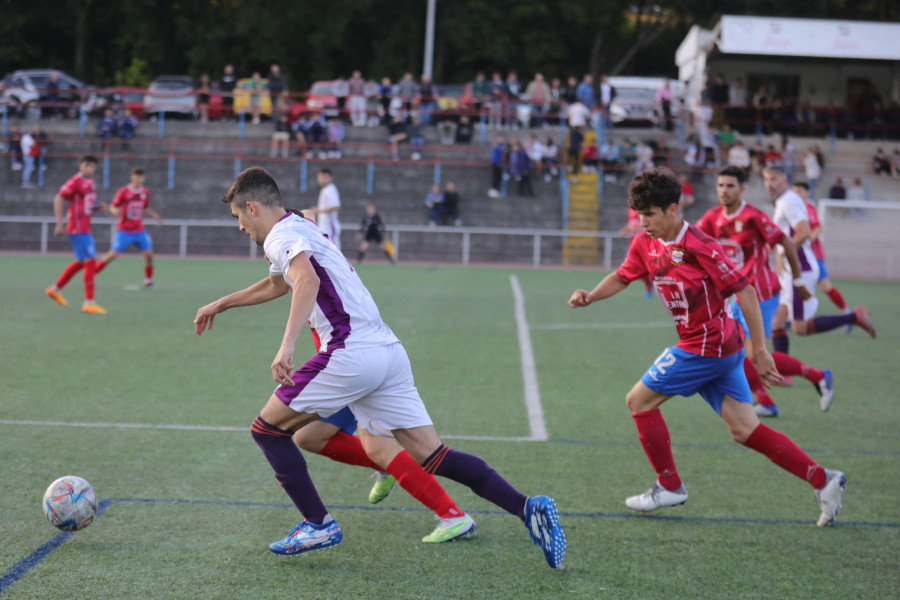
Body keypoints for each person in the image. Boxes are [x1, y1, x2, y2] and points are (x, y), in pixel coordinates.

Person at [193, 167, 565, 566]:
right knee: (432, 454)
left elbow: (305, 283)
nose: (240, 227)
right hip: (387, 351)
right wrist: (222, 303)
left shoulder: (282, 236)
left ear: (252, 207)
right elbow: (278, 283)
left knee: (267, 431)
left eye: (238, 218)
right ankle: (528, 508)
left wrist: (285, 347)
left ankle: (317, 523)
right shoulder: (300, 225)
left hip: (350, 351)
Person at [567, 167, 846, 526]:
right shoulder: (645, 243)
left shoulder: (700, 245)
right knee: (745, 430)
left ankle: (669, 485)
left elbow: (745, 290)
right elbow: (624, 276)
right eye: (639, 216)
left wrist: (760, 350)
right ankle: (823, 480)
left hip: (707, 345)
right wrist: (591, 296)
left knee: (638, 401)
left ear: (672, 209)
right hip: (717, 348)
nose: (643, 223)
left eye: (649, 215)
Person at [697, 166, 830, 417]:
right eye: (721, 185)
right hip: (736, 294)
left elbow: (788, 242)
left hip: (762, 293)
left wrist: (799, 282)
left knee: (753, 354)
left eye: (730, 186)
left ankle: (818, 377)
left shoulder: (754, 217)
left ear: (742, 189)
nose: (724, 191)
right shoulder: (713, 216)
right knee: (736, 353)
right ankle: (767, 401)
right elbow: (691, 239)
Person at [764, 166, 875, 369]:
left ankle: (854, 317)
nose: (769, 184)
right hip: (791, 270)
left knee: (800, 328)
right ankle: (783, 374)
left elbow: (804, 232)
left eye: (773, 179)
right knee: (777, 323)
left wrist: (784, 253)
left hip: (801, 269)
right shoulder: (783, 201)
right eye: (766, 180)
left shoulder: (788, 201)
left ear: (784, 180)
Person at [45, 155, 108, 314]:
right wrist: (59, 223)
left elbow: (83, 204)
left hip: (85, 227)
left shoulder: (90, 183)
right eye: (87, 165)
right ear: (81, 166)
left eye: (93, 166)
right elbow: (58, 198)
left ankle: (54, 289)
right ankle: (89, 302)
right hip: (77, 227)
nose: (90, 169)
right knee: (91, 261)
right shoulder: (75, 181)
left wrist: (95, 207)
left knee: (82, 262)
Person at [793, 181, 852, 325]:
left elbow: (817, 228)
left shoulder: (807, 207)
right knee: (791, 285)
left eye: (800, 191)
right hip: (798, 256)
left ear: (807, 193)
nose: (797, 195)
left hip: (813, 256)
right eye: (795, 192)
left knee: (825, 286)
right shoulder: (793, 208)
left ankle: (847, 314)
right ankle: (790, 318)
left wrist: (805, 241)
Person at [94, 167, 162, 288]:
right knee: (112, 255)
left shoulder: (145, 192)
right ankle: (92, 274)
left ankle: (148, 281)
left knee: (149, 255)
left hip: (139, 230)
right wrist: (115, 211)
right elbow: (113, 206)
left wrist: (155, 216)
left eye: (142, 177)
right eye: (137, 176)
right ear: (132, 177)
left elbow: (144, 207)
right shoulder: (124, 191)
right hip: (124, 230)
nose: (139, 179)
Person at [309, 168, 341, 251]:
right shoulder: (325, 189)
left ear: (330, 178)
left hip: (330, 227)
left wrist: (319, 211)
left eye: (324, 177)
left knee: (334, 251)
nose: (321, 180)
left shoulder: (330, 189)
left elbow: (336, 206)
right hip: (324, 227)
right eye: (320, 178)